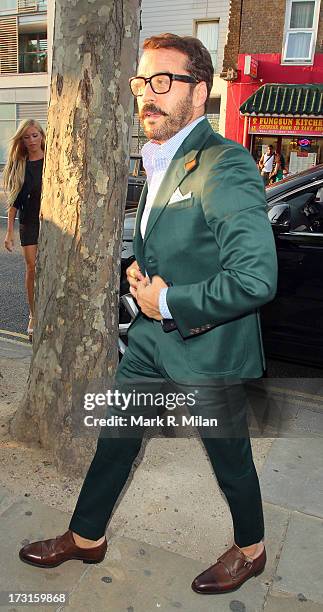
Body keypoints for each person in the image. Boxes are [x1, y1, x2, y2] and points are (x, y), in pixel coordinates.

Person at [19, 34, 278, 595]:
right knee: (118, 436)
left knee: (229, 457)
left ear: (200, 91)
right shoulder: (160, 155)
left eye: (164, 81)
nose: (147, 95)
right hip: (149, 341)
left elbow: (256, 278)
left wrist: (171, 301)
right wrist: (141, 274)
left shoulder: (225, 164)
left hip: (209, 347)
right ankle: (87, 536)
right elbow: (175, 243)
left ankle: (252, 549)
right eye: (142, 82)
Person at [3, 119, 45, 341]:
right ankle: (33, 314)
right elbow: (13, 202)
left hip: (51, 221)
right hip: (28, 221)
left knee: (49, 268)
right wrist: (9, 232)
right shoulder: (20, 163)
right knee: (32, 268)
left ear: (42, 135)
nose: (31, 141)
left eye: (35, 135)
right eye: (27, 137)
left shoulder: (52, 160)